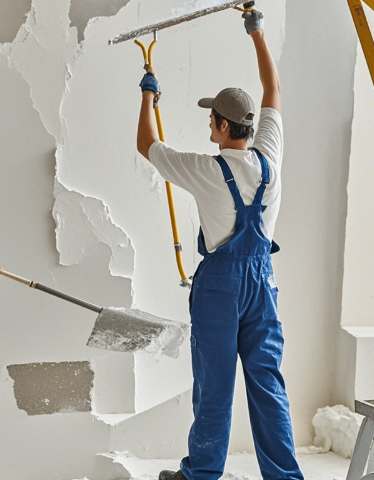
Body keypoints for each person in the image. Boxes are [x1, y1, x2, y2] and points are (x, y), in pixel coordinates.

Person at [136, 10, 304, 480]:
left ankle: (201, 475)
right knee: (267, 384)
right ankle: (286, 478)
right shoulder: (270, 154)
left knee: (214, 388)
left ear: (225, 127)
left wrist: (148, 94)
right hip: (262, 286)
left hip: (221, 290)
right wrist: (258, 33)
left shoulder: (208, 171)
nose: (209, 125)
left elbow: (146, 143)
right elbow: (272, 91)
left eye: (213, 119)